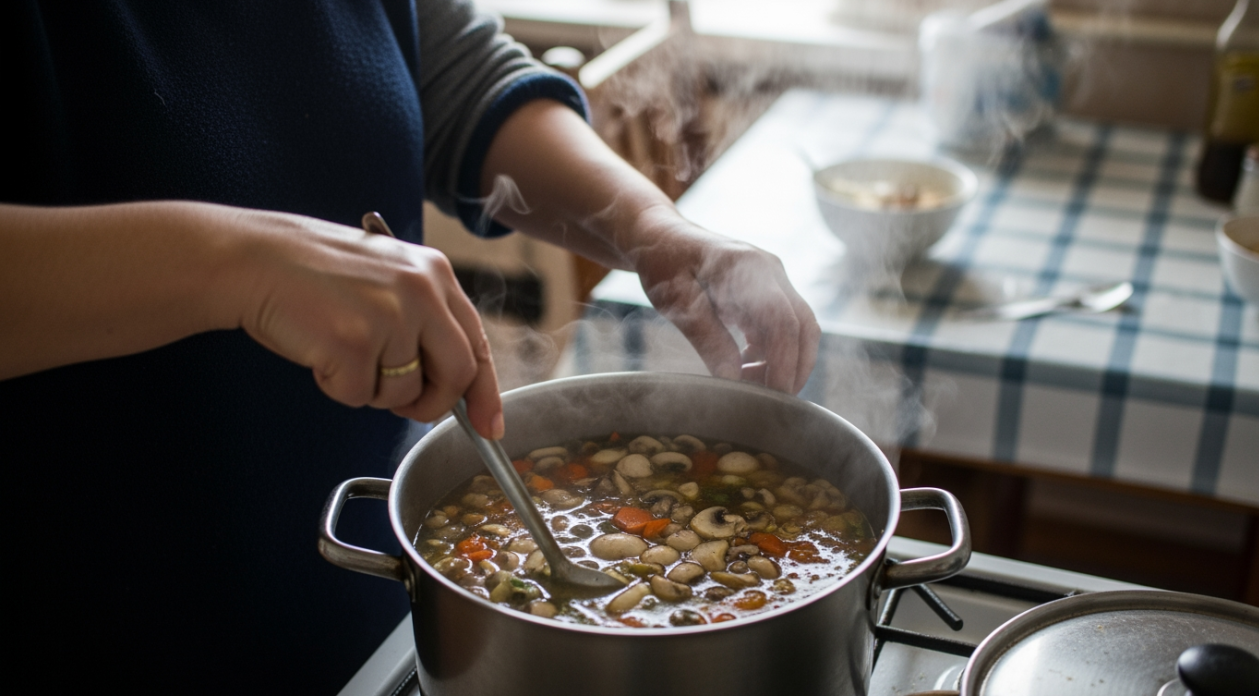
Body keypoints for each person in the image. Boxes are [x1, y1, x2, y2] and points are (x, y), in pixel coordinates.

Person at [1, 1, 819, 692]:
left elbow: (454, 73)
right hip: (97, 629)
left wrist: (651, 230)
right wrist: (234, 264)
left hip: (383, 619)